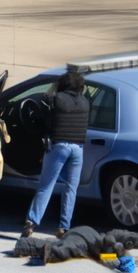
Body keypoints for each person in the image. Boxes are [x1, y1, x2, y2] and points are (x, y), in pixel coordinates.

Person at [22, 71, 90, 239]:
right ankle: (63, 228)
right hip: (77, 149)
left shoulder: (55, 100)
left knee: (46, 186)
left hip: (59, 147)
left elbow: (44, 122)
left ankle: (31, 223)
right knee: (71, 189)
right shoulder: (85, 102)